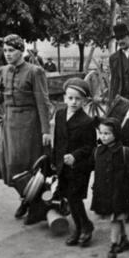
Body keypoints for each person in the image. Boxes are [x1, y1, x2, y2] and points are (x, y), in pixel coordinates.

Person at [0, 34, 52, 225]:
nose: (7, 54)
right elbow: (1, 92)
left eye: (11, 50)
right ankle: (28, 199)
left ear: (21, 50)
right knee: (6, 165)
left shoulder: (34, 72)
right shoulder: (4, 70)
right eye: (5, 51)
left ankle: (35, 205)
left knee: (24, 166)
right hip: (10, 122)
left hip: (29, 124)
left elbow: (43, 102)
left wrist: (46, 130)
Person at [90, 117, 129, 258]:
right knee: (117, 218)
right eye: (101, 133)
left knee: (115, 219)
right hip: (106, 194)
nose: (103, 136)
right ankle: (124, 240)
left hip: (121, 194)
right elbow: (98, 172)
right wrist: (96, 187)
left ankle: (113, 245)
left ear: (116, 134)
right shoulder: (98, 152)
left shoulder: (126, 153)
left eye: (107, 133)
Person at [52, 78, 96, 247]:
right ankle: (82, 227)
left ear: (84, 101)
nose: (73, 102)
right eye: (70, 98)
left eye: (78, 99)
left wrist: (75, 156)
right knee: (70, 199)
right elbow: (58, 139)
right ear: (64, 98)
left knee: (75, 198)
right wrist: (55, 161)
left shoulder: (86, 122)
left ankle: (83, 228)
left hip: (79, 167)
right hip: (63, 166)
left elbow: (90, 146)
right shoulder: (60, 114)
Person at [109, 23, 129, 102]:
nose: (120, 41)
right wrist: (111, 104)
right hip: (122, 100)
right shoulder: (113, 58)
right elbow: (114, 83)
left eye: (122, 37)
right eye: (118, 38)